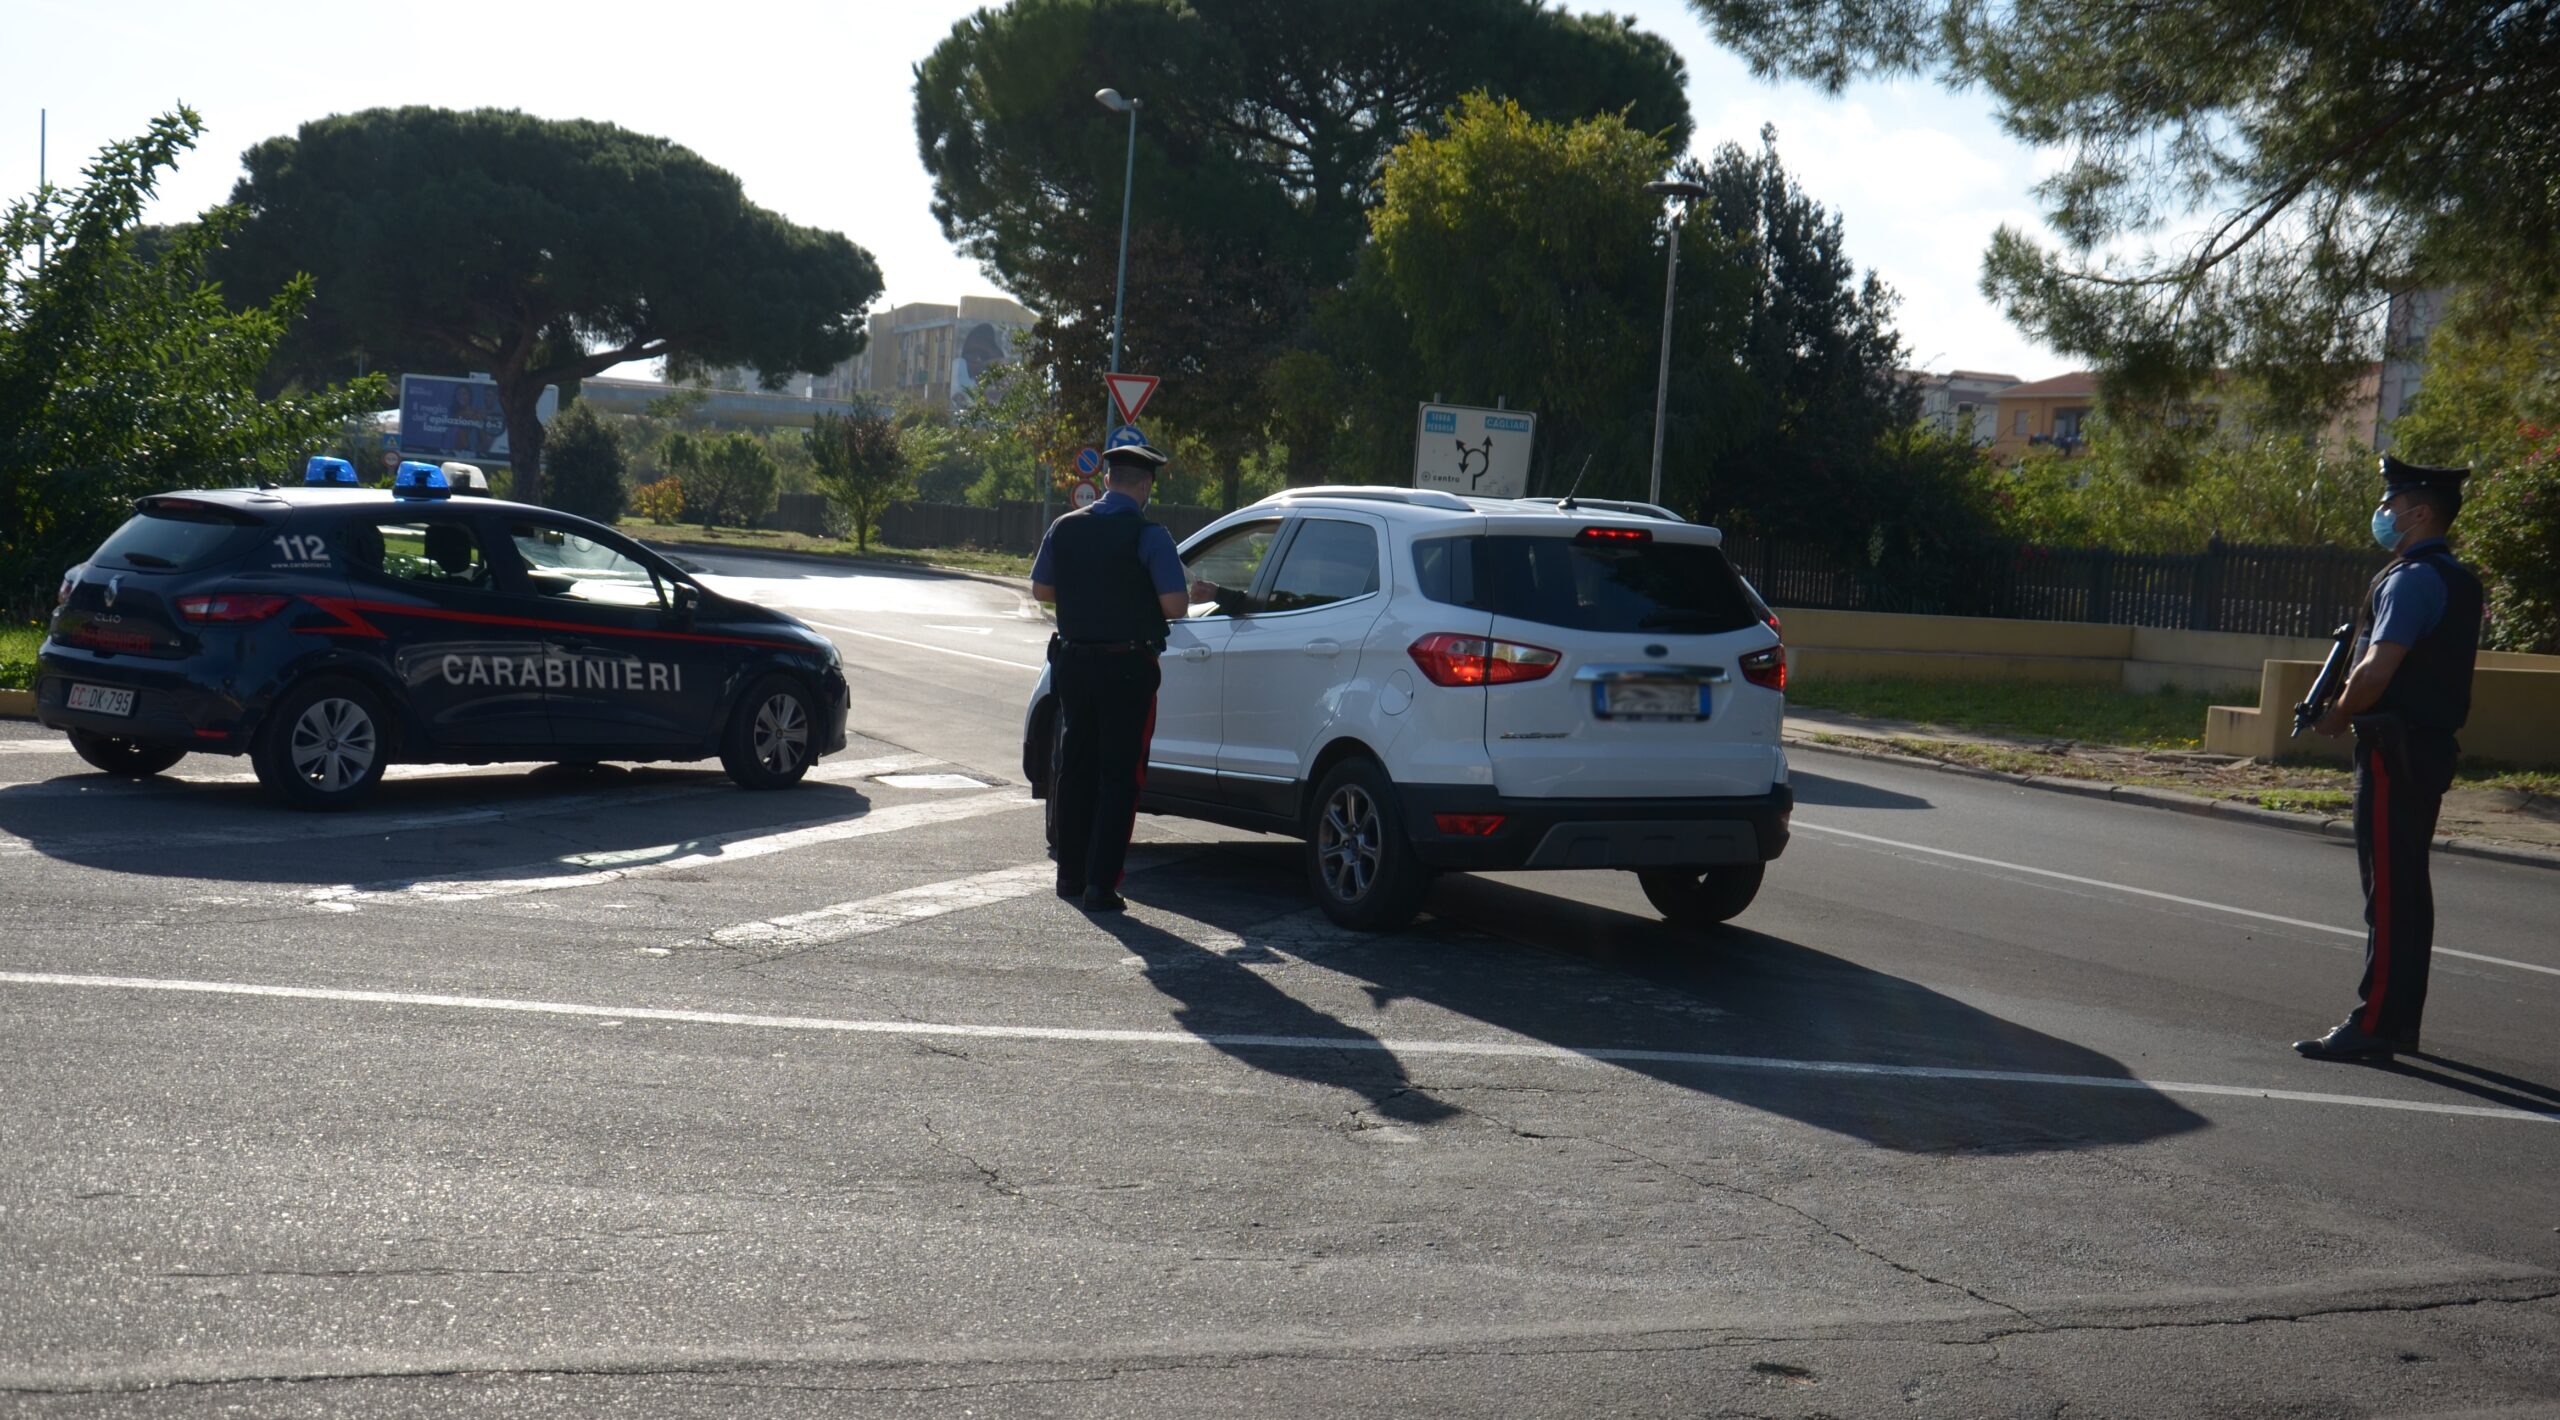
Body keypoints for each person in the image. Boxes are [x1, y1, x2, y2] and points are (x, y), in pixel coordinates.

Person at [2294, 455, 2484, 1062]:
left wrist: (2337, 713)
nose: (2385, 513)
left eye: (2394, 503)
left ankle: (2373, 1026)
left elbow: (2377, 668)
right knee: (2408, 891)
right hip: (2426, 748)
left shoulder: (2411, 578)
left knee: (2389, 895)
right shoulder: (2457, 578)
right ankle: (2398, 1021)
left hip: (2391, 749)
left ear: (2421, 511)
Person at [1030, 437, 1192, 913]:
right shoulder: (1150, 536)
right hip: (1127, 666)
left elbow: (1041, 590)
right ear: (1144, 486)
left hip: (1075, 663)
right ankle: (1101, 884)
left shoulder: (1065, 527)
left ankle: (1069, 875)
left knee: (1076, 766)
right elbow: (1175, 607)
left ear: (1105, 481)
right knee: (1120, 775)